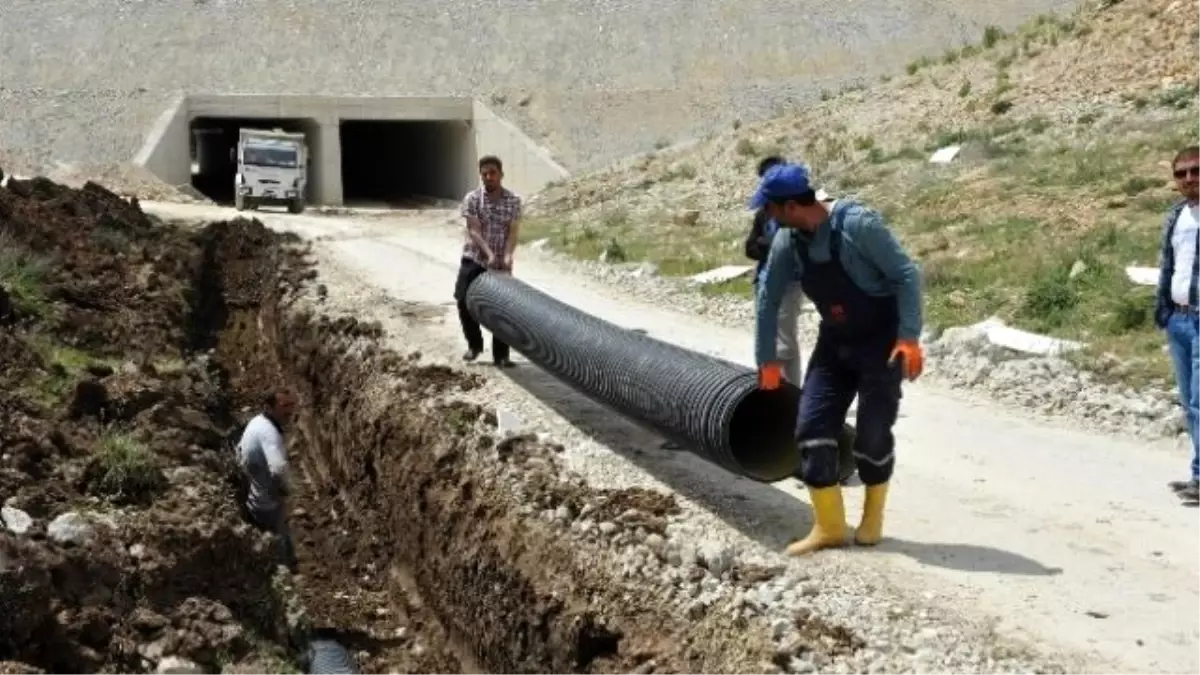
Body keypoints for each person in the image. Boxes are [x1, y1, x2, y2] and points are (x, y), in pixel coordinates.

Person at [751, 162, 923, 556]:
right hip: (835, 341)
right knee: (811, 427)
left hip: (881, 342)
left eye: (771, 208)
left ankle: (872, 518)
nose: (768, 216)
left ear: (791, 206)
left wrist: (910, 337)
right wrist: (767, 360)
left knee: (871, 435)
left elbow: (907, 275)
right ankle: (829, 528)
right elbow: (768, 298)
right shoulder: (786, 241)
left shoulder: (857, 226)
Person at [1155, 145, 1200, 502]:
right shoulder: (1176, 216)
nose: (1188, 178)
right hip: (1179, 320)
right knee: (1189, 402)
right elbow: (1169, 265)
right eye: (1181, 173)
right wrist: (1167, 313)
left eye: (1195, 170)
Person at [454, 155, 523, 368]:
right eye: (484, 174)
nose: (488, 177)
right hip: (474, 257)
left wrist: (508, 256)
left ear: (501, 174)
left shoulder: (513, 201)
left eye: (492, 173)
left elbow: (512, 232)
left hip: (500, 261)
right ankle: (475, 345)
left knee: (502, 307)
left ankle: (501, 355)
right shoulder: (472, 199)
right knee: (463, 299)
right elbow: (473, 230)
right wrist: (488, 254)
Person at [745, 155, 805, 385]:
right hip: (764, 282)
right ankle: (772, 390)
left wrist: (770, 244)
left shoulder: (798, 210)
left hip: (788, 284)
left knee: (784, 344)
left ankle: (789, 396)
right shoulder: (764, 213)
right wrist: (766, 245)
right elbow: (750, 247)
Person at [238, 389, 299, 571]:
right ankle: (284, 573)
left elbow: (240, 450)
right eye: (284, 406)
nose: (289, 410)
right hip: (266, 503)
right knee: (277, 537)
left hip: (256, 493)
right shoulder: (269, 434)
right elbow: (279, 468)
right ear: (269, 407)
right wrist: (287, 489)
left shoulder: (257, 422)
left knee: (281, 532)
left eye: (291, 404)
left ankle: (287, 562)